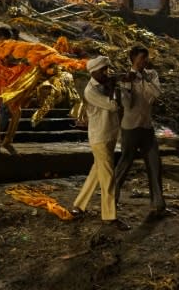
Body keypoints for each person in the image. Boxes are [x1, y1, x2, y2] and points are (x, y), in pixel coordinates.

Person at [70, 55, 130, 231]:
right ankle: (109, 216)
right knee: (108, 178)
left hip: (109, 134)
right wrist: (113, 88)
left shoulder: (103, 85)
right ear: (93, 72)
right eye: (103, 70)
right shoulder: (91, 91)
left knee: (97, 172)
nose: (106, 73)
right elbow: (112, 106)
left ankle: (79, 205)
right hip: (100, 138)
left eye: (107, 69)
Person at [114, 46, 169, 219]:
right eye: (140, 60)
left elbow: (157, 94)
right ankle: (110, 200)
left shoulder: (152, 75)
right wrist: (128, 84)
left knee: (154, 163)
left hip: (146, 126)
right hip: (130, 127)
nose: (144, 62)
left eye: (145, 59)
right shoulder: (125, 77)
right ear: (133, 60)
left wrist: (144, 77)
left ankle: (158, 204)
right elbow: (127, 103)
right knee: (125, 163)